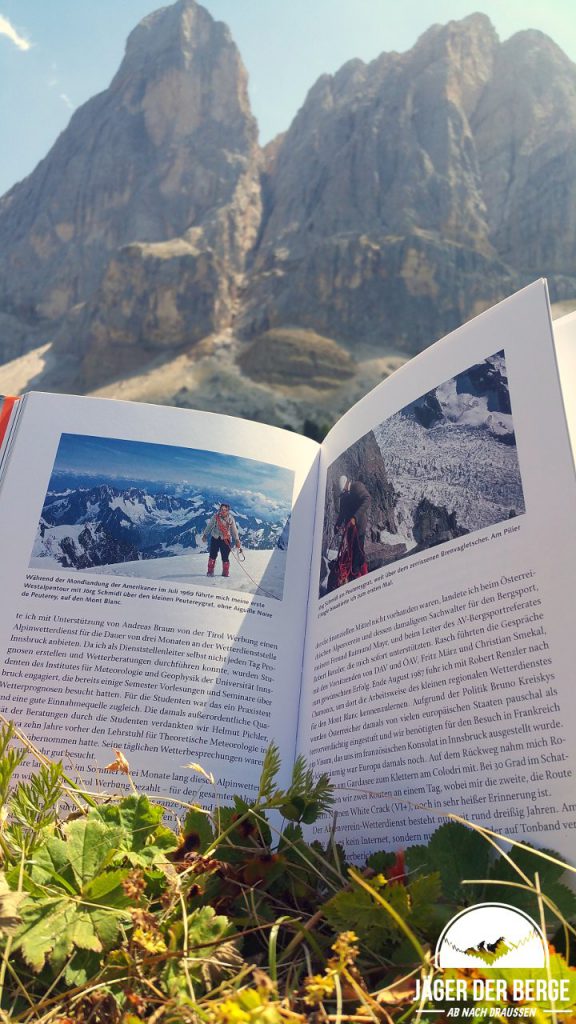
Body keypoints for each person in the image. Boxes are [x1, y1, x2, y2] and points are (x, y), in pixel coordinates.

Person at [333, 475, 370, 582]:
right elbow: (342, 513)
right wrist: (338, 524)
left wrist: (355, 517)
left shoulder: (357, 487)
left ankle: (357, 574)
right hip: (349, 527)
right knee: (350, 549)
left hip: (359, 526)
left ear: (346, 484)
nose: (344, 492)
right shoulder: (344, 496)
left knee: (357, 550)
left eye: (344, 490)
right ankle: (355, 571)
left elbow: (367, 499)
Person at [202, 503, 242, 577]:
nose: (223, 511)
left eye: (225, 510)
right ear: (220, 510)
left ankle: (225, 573)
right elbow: (209, 526)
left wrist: (237, 540)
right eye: (222, 509)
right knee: (212, 555)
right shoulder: (215, 517)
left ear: (228, 511)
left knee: (225, 557)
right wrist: (205, 534)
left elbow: (234, 530)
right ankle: (210, 572)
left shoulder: (230, 519)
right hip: (215, 538)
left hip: (225, 539)